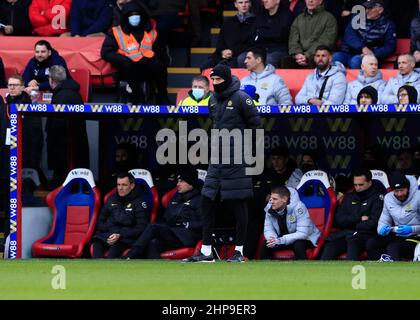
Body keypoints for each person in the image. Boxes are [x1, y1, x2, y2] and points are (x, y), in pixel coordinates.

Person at [183, 64, 261, 263]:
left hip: (237, 160)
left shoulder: (242, 98)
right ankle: (207, 251)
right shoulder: (212, 100)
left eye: (218, 80)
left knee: (239, 204)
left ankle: (240, 251)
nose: (216, 83)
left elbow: (256, 127)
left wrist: (247, 153)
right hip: (217, 160)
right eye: (213, 80)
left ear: (226, 79)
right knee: (206, 201)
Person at [123, 168, 203, 259]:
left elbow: (205, 223)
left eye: (181, 181)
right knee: (153, 242)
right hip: (173, 233)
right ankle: (154, 270)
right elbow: (166, 218)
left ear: (191, 183)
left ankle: (130, 255)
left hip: (187, 237)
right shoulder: (176, 198)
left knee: (153, 227)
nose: (178, 184)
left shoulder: (200, 200)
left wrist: (187, 224)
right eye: (178, 181)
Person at [101, 1, 170, 104]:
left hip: (147, 67)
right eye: (131, 15)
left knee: (159, 65)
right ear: (126, 17)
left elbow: (160, 51)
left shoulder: (151, 32)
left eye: (137, 15)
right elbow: (106, 52)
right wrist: (122, 59)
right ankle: (137, 99)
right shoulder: (116, 32)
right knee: (127, 66)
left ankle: (162, 99)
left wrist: (154, 58)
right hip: (128, 69)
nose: (135, 17)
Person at [321, 169, 384, 260]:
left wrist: (351, 223)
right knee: (330, 245)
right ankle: (323, 272)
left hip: (365, 236)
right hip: (346, 234)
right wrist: (359, 218)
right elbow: (340, 220)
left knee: (353, 242)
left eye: (361, 185)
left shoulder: (378, 198)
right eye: (355, 185)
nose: (357, 187)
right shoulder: (348, 197)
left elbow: (373, 223)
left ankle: (351, 272)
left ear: (369, 182)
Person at [47, 65, 89, 185]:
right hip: (76, 144)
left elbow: (57, 125)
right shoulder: (72, 92)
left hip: (65, 147)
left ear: (51, 79)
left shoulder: (61, 96)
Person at [92, 172, 150, 258]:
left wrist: (120, 234)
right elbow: (100, 222)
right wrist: (111, 233)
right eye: (118, 185)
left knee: (112, 253)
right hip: (108, 236)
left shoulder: (140, 202)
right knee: (96, 246)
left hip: (126, 239)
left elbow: (141, 228)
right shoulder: (111, 199)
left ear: (132, 186)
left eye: (124, 185)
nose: (120, 188)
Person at [366, 172, 420, 260]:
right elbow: (384, 220)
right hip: (397, 235)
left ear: (408, 188)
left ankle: (394, 270)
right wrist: (382, 229)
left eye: (402, 190)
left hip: (415, 237)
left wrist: (411, 229)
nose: (399, 194)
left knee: (393, 247)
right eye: (396, 191)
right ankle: (377, 269)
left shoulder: (418, 197)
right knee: (371, 243)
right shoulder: (388, 198)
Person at [333, 0, 396, 69]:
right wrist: (362, 47)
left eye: (370, 8)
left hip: (370, 57)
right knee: (335, 57)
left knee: (355, 61)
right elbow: (349, 35)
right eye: (366, 8)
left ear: (380, 10)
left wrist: (373, 53)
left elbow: (390, 46)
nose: (366, 11)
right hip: (349, 52)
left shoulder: (388, 25)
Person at [261, 186, 320, 259]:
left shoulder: (299, 207)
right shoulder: (270, 209)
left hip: (306, 239)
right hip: (282, 239)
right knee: (267, 244)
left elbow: (303, 234)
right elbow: (268, 229)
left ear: (284, 199)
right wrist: (272, 239)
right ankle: (265, 269)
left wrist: (280, 240)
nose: (271, 202)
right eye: (271, 198)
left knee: (298, 244)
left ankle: (304, 269)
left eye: (275, 199)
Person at [282, 0, 338, 69]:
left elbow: (326, 41)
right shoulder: (298, 19)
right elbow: (293, 39)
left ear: (320, 1)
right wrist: (297, 54)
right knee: (286, 61)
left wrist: (307, 55)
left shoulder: (329, 19)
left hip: (317, 55)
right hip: (299, 56)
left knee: (314, 60)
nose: (310, 1)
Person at [237, 0, 294, 68]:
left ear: (277, 1)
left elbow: (280, 34)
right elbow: (253, 33)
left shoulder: (287, 15)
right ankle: (249, 78)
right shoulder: (261, 13)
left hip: (278, 49)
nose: (265, 1)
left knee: (269, 59)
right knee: (241, 58)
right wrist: (266, 32)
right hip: (259, 49)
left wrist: (261, 32)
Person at [201, 0, 256, 69]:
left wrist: (232, 52)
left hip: (240, 55)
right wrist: (222, 52)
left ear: (250, 4)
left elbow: (253, 44)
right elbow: (220, 42)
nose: (244, 5)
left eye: (246, 2)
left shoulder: (256, 22)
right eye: (240, 2)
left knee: (228, 66)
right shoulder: (228, 22)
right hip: (226, 55)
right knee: (205, 65)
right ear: (235, 5)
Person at [6, 75, 43, 170]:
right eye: (10, 85)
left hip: (25, 150)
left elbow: (36, 135)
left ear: (23, 87)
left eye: (15, 85)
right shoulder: (4, 105)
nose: (12, 87)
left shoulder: (29, 106)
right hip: (6, 151)